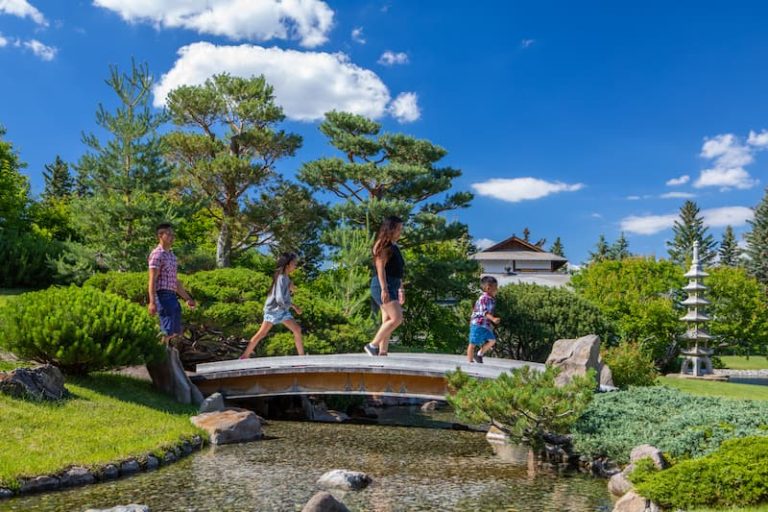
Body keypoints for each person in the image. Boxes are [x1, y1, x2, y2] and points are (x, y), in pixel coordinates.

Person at [240, 252, 305, 359]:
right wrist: (293, 306)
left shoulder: (286, 278)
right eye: (294, 263)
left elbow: (283, 295)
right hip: (273, 311)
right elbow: (279, 298)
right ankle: (244, 356)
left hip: (282, 310)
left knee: (297, 329)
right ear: (287, 265)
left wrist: (290, 288)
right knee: (261, 334)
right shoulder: (281, 278)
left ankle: (302, 357)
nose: (295, 265)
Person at [364, 216, 406, 357]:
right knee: (397, 318)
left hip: (392, 285)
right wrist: (384, 288)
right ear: (391, 228)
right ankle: (372, 345)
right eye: (398, 228)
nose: (400, 231)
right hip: (382, 285)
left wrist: (401, 289)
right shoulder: (383, 244)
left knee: (387, 320)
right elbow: (380, 268)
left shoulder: (394, 246)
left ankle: (382, 351)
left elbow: (397, 270)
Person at [148, 223, 196, 344]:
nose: (172, 237)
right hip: (162, 296)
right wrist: (152, 302)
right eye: (168, 234)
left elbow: (175, 281)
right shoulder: (157, 254)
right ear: (160, 235)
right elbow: (152, 279)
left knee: (175, 332)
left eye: (172, 234)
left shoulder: (172, 256)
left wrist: (187, 298)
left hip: (172, 296)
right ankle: (158, 354)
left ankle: (167, 355)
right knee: (166, 331)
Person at [468, 276, 501, 364]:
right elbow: (484, 312)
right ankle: (470, 361)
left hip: (485, 325)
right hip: (478, 324)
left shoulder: (491, 299)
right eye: (495, 288)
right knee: (473, 343)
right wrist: (493, 319)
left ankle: (479, 354)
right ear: (488, 288)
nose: (496, 290)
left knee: (492, 340)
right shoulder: (483, 298)